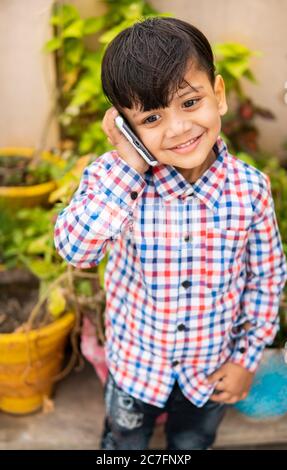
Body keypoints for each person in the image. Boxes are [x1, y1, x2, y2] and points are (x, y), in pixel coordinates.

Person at [54, 17, 287, 450]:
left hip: (209, 371)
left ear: (218, 95)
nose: (178, 128)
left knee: (192, 444)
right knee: (123, 442)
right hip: (135, 368)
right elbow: (76, 249)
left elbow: (267, 279)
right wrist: (129, 164)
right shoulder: (114, 180)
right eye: (151, 116)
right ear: (125, 127)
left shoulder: (250, 190)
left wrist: (247, 358)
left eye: (189, 102)